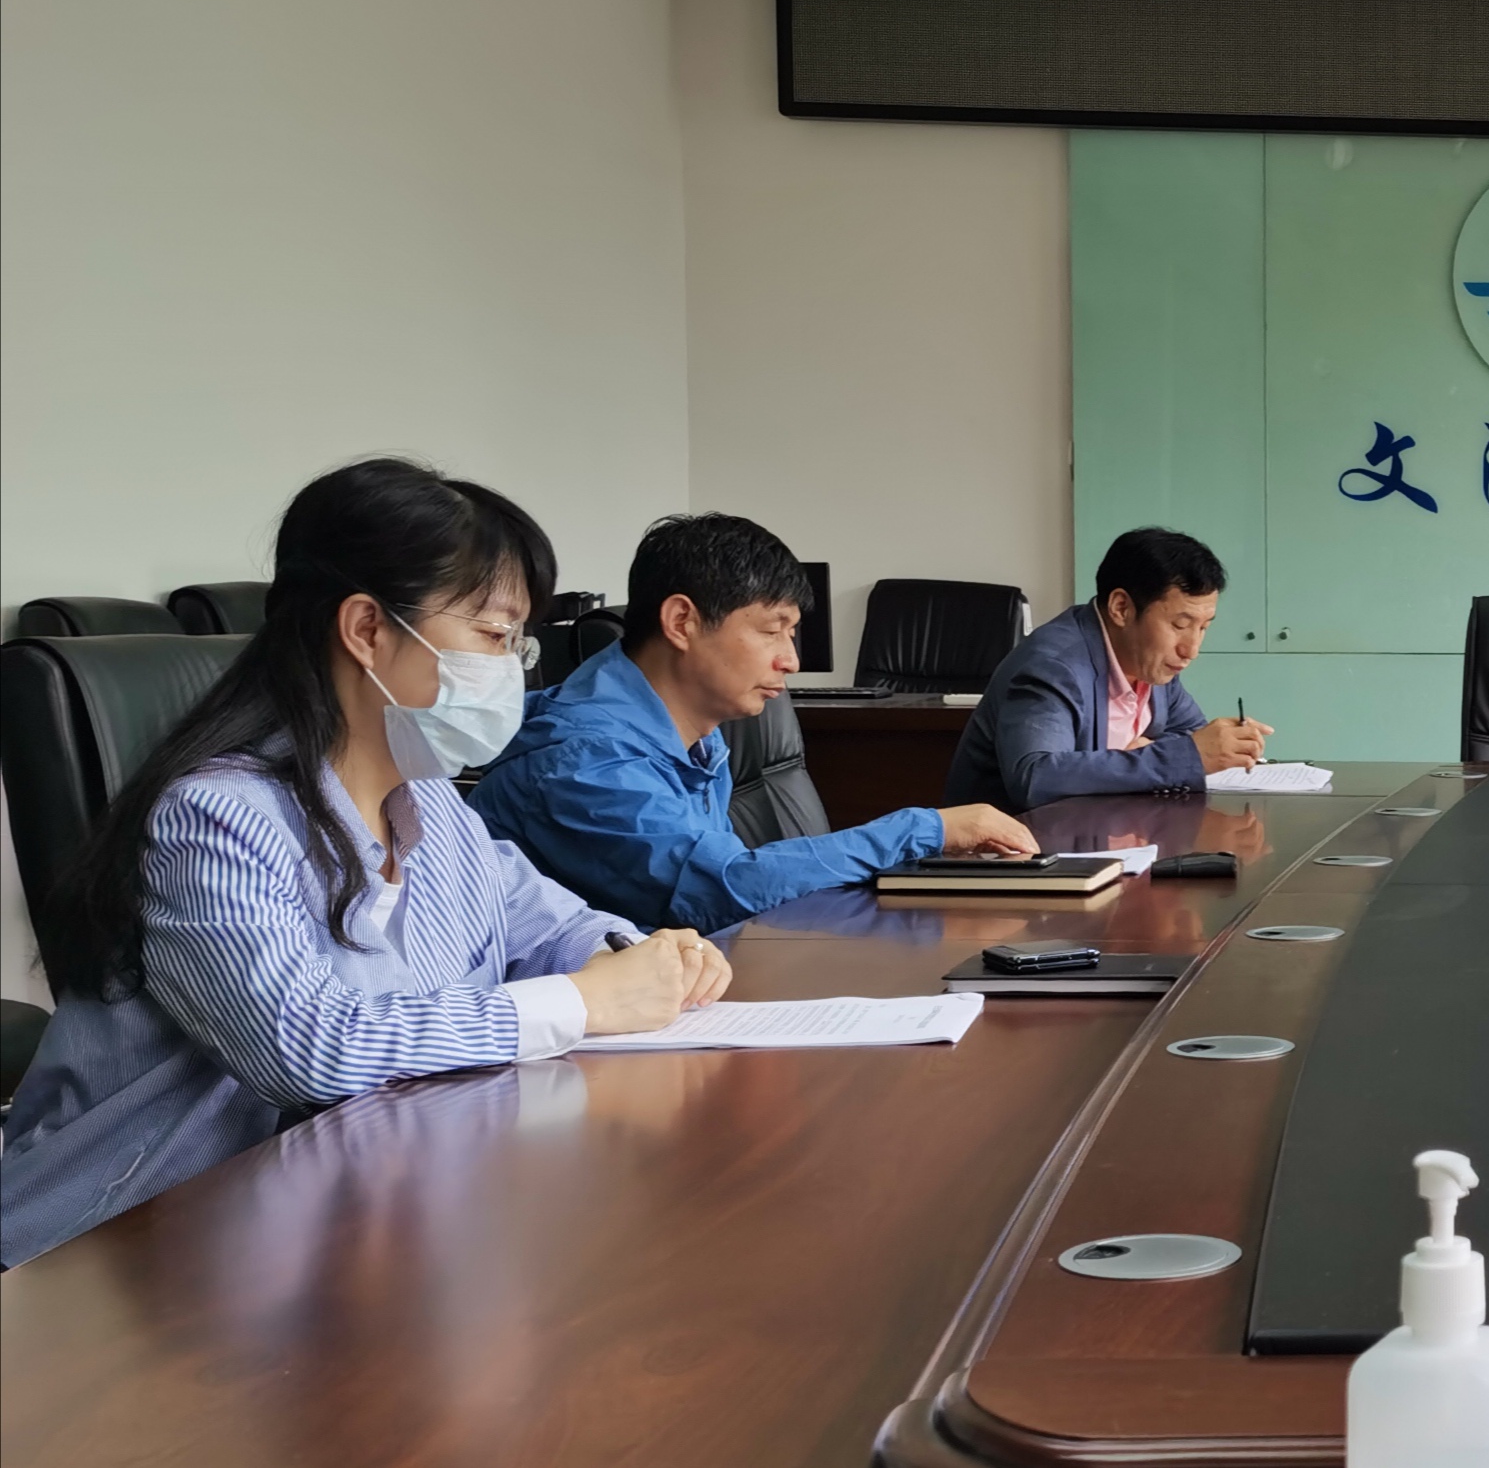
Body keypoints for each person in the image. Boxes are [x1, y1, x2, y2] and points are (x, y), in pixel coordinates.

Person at [0, 459, 730, 1267]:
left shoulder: (431, 802)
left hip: (339, 1222)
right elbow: (307, 1047)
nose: (513, 669)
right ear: (367, 630)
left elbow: (550, 923)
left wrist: (637, 956)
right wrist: (580, 1001)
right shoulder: (213, 817)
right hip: (116, 1252)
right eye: (493, 636)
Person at [471, 514, 1036, 932]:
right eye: (772, 630)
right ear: (682, 621)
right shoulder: (584, 759)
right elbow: (721, 891)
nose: (790, 660)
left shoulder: (696, 735)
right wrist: (924, 829)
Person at [944, 528, 1271, 812]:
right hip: (1009, 854)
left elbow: (1189, 733)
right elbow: (1036, 776)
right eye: (1180, 625)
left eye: (1203, 627)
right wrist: (1174, 758)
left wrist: (1165, 753)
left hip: (1104, 836)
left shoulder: (1151, 663)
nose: (1191, 649)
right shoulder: (1054, 666)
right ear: (1121, 608)